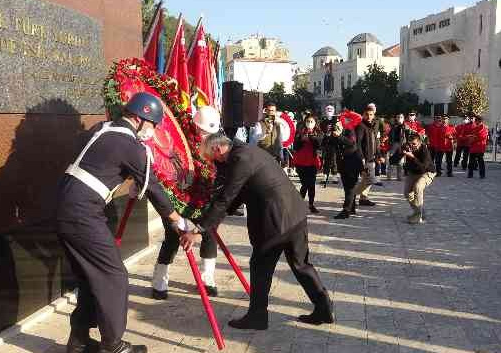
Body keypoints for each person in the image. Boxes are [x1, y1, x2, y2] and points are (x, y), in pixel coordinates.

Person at [57, 92, 199, 353]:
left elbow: (104, 163)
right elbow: (154, 189)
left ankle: (78, 341)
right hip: (83, 213)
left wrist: (131, 180)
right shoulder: (132, 146)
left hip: (64, 206)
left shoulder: (102, 128)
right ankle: (113, 345)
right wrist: (178, 221)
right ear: (139, 118)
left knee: (90, 277)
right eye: (152, 124)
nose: (153, 131)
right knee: (115, 277)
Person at [190, 134, 334, 330]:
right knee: (301, 264)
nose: (216, 163)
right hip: (295, 214)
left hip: (275, 221)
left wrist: (201, 228)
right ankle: (324, 307)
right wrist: (216, 218)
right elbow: (241, 192)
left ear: (218, 149)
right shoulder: (249, 151)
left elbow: (227, 196)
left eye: (213, 158)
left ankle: (257, 316)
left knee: (260, 267)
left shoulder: (240, 159)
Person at [151, 106, 222, 300]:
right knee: (173, 236)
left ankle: (207, 278)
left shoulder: (217, 145)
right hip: (174, 195)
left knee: (209, 234)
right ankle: (159, 280)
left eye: (208, 132)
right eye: (201, 130)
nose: (204, 135)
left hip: (202, 198)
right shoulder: (180, 137)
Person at [402, 135, 436, 224]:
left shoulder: (424, 150)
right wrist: (401, 152)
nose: (412, 146)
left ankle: (417, 216)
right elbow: (393, 160)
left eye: (414, 144)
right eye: (410, 144)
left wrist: (412, 157)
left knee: (418, 187)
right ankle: (420, 211)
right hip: (413, 172)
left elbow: (423, 167)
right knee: (407, 193)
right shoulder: (407, 148)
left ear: (420, 143)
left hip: (427, 172)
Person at [293, 114, 324, 214]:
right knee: (305, 183)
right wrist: (302, 140)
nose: (309, 124)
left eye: (311, 122)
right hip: (300, 162)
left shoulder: (318, 133)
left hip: (312, 162)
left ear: (315, 123)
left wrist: (311, 137)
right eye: (308, 121)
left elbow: (319, 145)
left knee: (311, 184)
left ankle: (311, 204)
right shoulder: (300, 132)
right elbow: (295, 147)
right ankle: (299, 203)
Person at [352, 104, 380, 206]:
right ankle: (351, 195)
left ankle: (363, 198)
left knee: (366, 180)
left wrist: (378, 155)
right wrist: (361, 157)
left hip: (372, 157)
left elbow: (376, 141)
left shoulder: (372, 126)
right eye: (367, 114)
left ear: (374, 115)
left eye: (371, 114)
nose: (369, 116)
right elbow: (358, 143)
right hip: (365, 158)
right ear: (363, 115)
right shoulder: (361, 126)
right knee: (370, 179)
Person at [334, 122, 362, 219]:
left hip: (352, 163)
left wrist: (339, 136)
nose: (337, 127)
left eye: (338, 125)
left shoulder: (350, 131)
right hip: (343, 163)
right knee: (348, 187)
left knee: (350, 188)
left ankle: (346, 210)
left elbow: (351, 143)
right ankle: (352, 207)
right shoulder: (337, 132)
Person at [320, 105, 341, 184]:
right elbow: (321, 132)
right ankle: (325, 175)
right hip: (326, 143)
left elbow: (339, 130)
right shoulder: (323, 121)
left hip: (334, 142)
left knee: (334, 159)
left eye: (331, 109)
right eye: (328, 109)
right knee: (326, 159)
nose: (329, 111)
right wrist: (326, 132)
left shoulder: (336, 120)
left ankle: (334, 175)